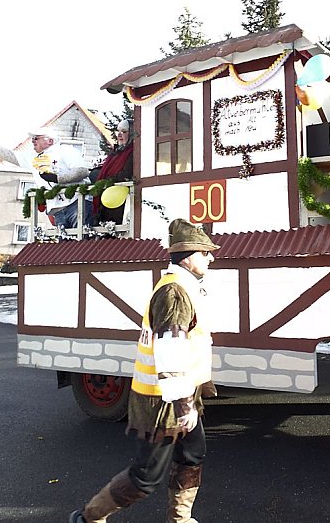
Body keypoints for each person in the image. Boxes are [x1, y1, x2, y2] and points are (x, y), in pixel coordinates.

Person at [70, 219, 219, 523]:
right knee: (146, 476)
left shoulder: (185, 288)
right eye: (206, 253)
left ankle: (180, 519)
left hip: (177, 395)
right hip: (161, 402)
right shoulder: (174, 293)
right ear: (188, 256)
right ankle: (88, 518)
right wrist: (183, 404)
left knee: (192, 455)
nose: (211, 258)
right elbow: (169, 350)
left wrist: (195, 391)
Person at [0, 122, 92, 229]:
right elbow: (8, 155)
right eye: (32, 139)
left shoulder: (66, 150)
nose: (33, 141)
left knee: (83, 243)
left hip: (77, 203)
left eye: (36, 138)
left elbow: (82, 171)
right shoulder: (32, 157)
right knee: (66, 250)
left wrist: (57, 178)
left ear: (50, 141)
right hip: (57, 210)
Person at [90, 118, 135, 224]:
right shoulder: (115, 152)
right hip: (105, 200)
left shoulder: (133, 152)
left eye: (124, 132)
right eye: (118, 131)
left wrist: (106, 180)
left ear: (132, 133)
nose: (119, 135)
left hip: (120, 202)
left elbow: (126, 174)